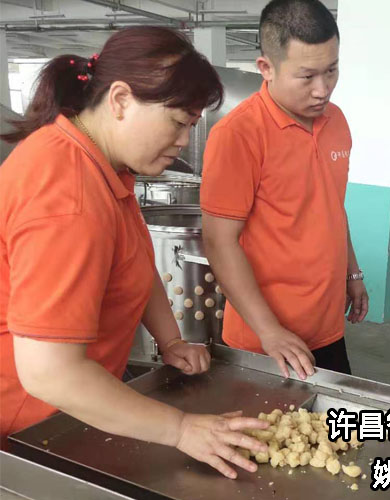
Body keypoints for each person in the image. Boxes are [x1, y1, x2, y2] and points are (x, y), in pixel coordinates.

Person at [0, 26, 267, 479]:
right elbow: (50, 374)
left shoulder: (102, 164)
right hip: (30, 426)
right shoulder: (67, 194)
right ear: (121, 100)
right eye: (178, 122)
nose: (183, 141)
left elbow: (135, 263)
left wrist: (171, 340)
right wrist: (181, 429)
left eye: (191, 126)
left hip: (73, 409)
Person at [200, 0, 367, 380]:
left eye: (331, 70)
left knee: (333, 418)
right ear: (267, 68)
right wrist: (269, 330)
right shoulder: (238, 134)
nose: (322, 90)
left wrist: (352, 274)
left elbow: (332, 208)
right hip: (263, 339)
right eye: (306, 76)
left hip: (327, 326)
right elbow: (219, 242)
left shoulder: (336, 121)